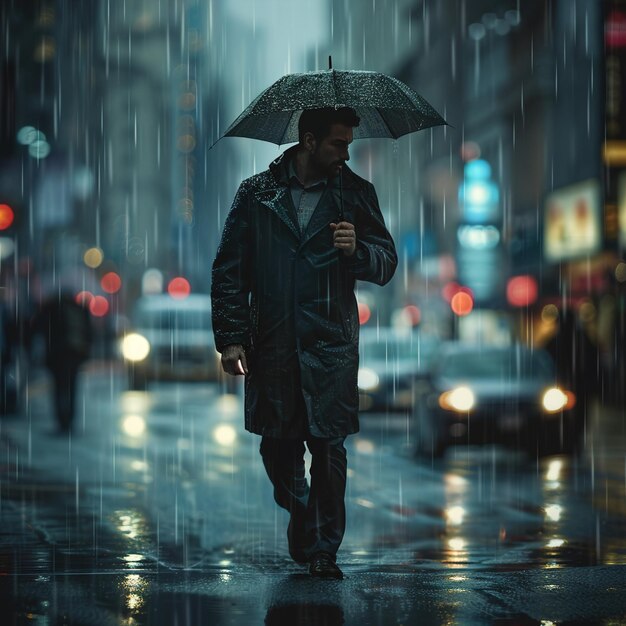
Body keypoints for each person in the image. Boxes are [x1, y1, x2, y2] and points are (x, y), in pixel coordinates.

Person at [211, 107, 397, 579]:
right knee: (277, 450)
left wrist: (358, 251)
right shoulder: (257, 194)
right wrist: (231, 339)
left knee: (329, 449)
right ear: (309, 141)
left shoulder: (355, 195)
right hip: (272, 344)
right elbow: (229, 269)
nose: (346, 153)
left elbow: (387, 262)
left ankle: (323, 550)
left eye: (349, 143)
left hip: (331, 347)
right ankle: (302, 514)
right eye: (338, 143)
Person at [31, 290, 93, 433]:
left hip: (60, 355)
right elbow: (88, 333)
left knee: (61, 387)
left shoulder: (52, 309)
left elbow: (38, 327)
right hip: (71, 354)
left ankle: (63, 420)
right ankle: (67, 419)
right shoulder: (77, 310)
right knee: (70, 387)